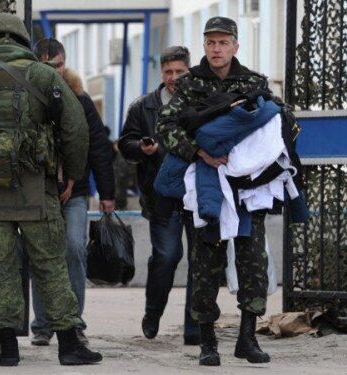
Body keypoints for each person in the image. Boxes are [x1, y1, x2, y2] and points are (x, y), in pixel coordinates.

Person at [0, 13, 102, 366]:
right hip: (35, 190)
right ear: (21, 40)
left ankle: (7, 348)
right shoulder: (43, 75)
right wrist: (73, 174)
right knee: (50, 264)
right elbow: (76, 129)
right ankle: (71, 345)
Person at [157, 16, 298, 366]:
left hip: (248, 187)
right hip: (206, 184)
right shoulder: (189, 85)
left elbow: (277, 118)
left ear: (235, 45)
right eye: (210, 43)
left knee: (253, 263)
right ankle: (207, 342)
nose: (216, 49)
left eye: (223, 42)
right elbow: (165, 125)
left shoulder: (253, 81)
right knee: (205, 265)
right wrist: (199, 151)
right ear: (204, 46)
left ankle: (247, 338)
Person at [29, 37, 116, 347]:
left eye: (60, 65)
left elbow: (99, 149)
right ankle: (42, 324)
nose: (56, 71)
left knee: (74, 250)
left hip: (74, 192)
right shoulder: (28, 99)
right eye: (48, 66)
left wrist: (107, 194)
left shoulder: (80, 99)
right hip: (40, 192)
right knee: (42, 255)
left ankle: (74, 322)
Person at [118, 46, 200, 345]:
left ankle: (195, 327)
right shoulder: (143, 107)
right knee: (167, 256)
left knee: (200, 258)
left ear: (189, 71)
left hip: (198, 193)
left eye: (180, 72)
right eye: (168, 72)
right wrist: (142, 147)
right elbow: (124, 143)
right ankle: (153, 312)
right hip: (161, 196)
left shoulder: (202, 102)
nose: (173, 78)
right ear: (161, 73)